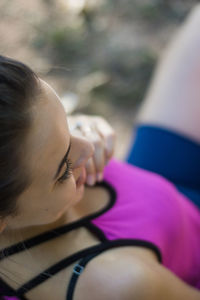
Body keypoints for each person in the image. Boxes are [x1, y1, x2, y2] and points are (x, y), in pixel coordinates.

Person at [0, 5, 200, 300]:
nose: (88, 146)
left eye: (69, 123)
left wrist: (75, 131)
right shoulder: (117, 285)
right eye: (64, 169)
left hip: (169, 196)